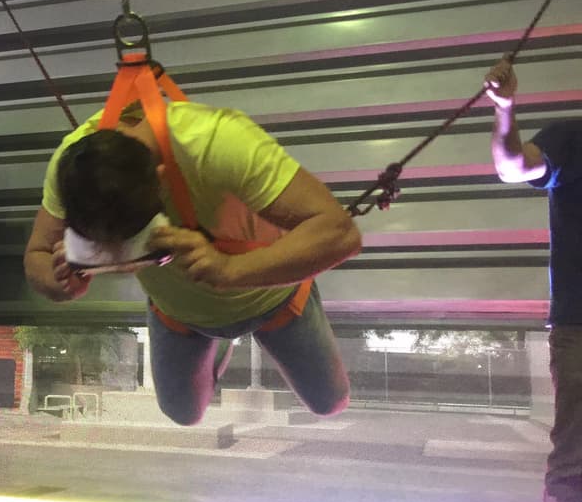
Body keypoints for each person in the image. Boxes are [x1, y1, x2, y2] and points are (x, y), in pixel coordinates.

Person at [22, 99, 362, 425]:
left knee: (330, 402)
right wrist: (59, 281)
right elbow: (37, 255)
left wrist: (228, 270)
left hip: (275, 296)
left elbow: (341, 234)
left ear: (161, 179)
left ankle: (237, 322)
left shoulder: (219, 142)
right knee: (184, 413)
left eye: (138, 243)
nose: (127, 263)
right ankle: (219, 340)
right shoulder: (73, 164)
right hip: (179, 310)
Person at [484, 57, 582, 502]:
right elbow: (512, 166)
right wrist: (504, 109)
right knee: (574, 469)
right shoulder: (573, 138)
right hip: (580, 325)